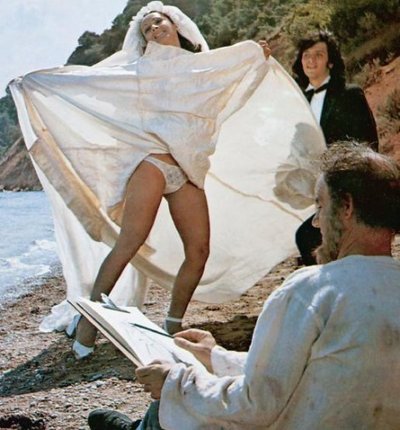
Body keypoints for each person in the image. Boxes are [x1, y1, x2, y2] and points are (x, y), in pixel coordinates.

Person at [10, 1, 325, 360]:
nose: (154, 30)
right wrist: (37, 83)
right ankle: (88, 325)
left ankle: (172, 326)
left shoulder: (198, 66)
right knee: (130, 241)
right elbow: (93, 83)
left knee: (199, 250)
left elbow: (229, 71)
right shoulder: (140, 69)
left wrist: (253, 54)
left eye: (158, 22)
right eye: (147, 29)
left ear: (175, 24)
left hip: (186, 170)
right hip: (153, 163)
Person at [88, 142, 400, 429]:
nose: (317, 222)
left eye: (320, 206)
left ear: (346, 207)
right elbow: (306, 368)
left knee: (178, 404)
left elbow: (256, 404)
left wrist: (175, 382)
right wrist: (215, 357)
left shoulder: (312, 291)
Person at [292, 30, 379, 265]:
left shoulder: (349, 95)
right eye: (306, 55)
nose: (311, 60)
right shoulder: (297, 101)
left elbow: (368, 144)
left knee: (311, 240)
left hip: (343, 190)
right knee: (311, 244)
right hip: (309, 193)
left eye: (319, 55)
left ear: (330, 62)